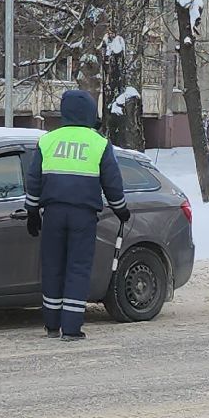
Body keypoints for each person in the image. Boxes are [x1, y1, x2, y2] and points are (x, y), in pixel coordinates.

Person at [22, 89, 130, 340]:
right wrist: (120, 208)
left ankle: (51, 325)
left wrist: (31, 211)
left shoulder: (48, 140)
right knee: (77, 268)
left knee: (52, 267)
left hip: (53, 213)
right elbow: (112, 182)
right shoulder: (99, 143)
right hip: (83, 215)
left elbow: (34, 179)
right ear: (91, 113)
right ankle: (71, 328)